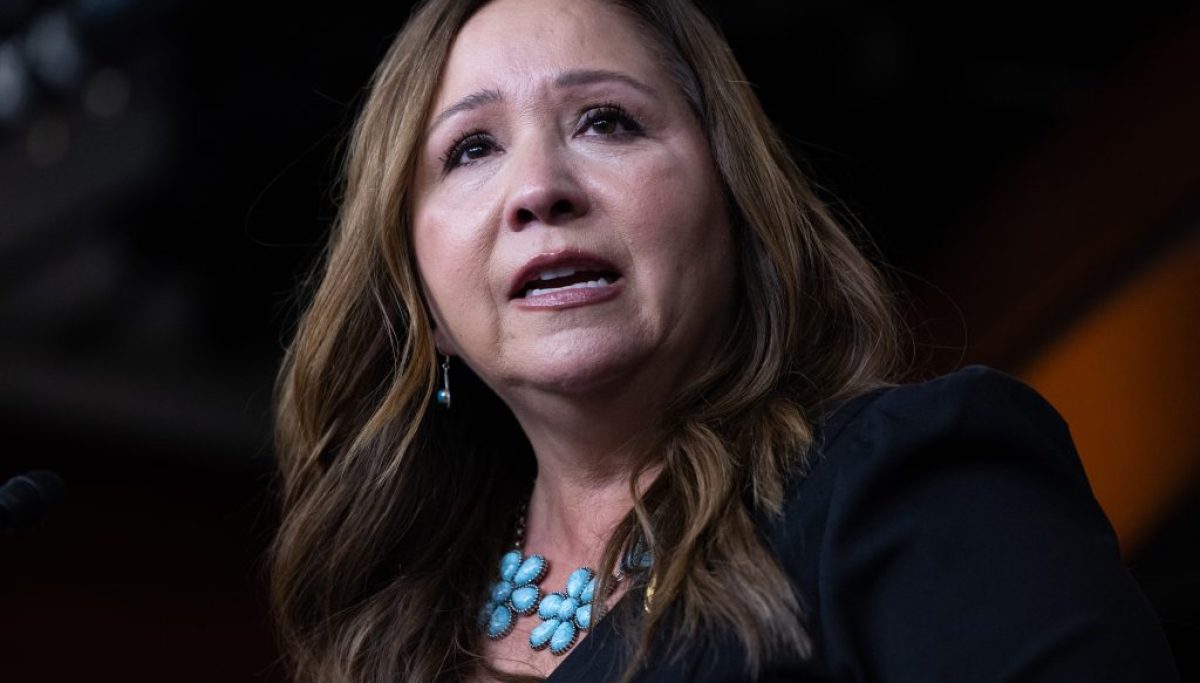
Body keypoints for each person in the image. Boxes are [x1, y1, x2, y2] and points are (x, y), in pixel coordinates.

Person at [269, 0, 1180, 681]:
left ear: (736, 209)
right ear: (422, 301)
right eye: (471, 148)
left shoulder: (912, 479)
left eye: (607, 120)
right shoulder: (386, 626)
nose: (539, 188)